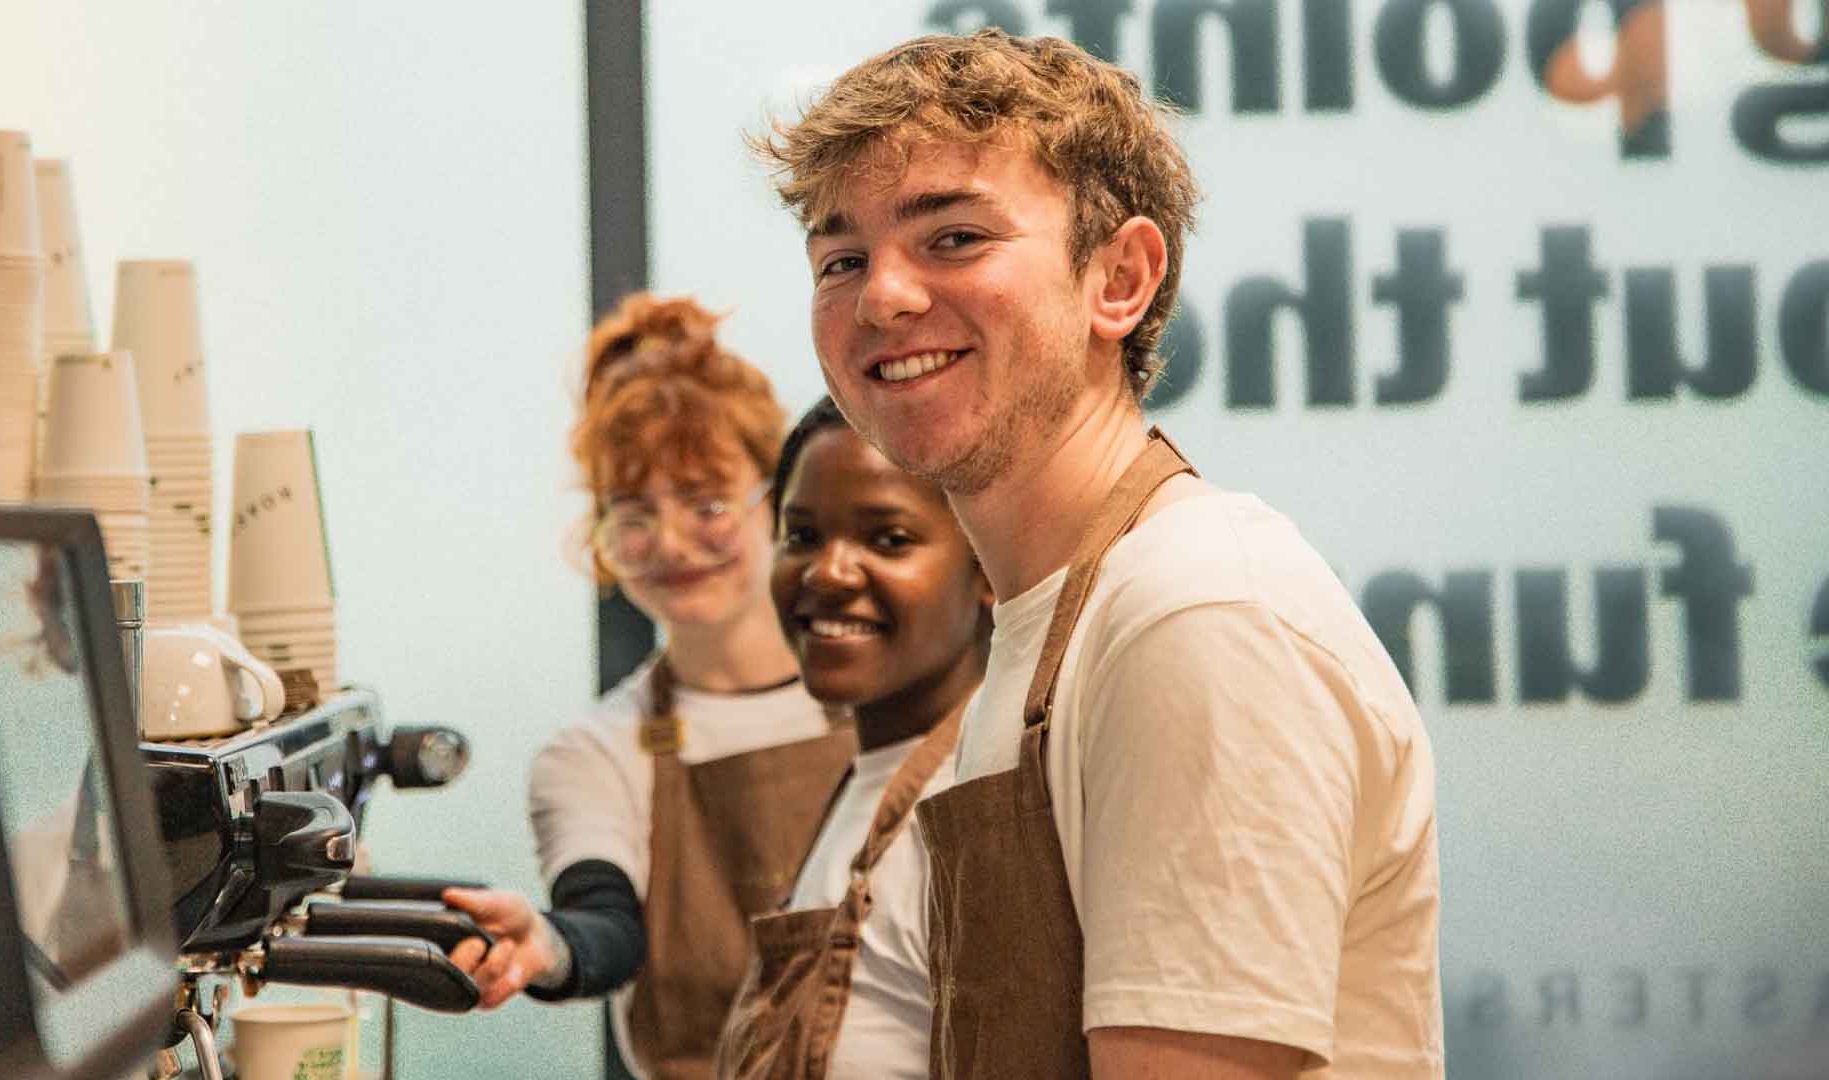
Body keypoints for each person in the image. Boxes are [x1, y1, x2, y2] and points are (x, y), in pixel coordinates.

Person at [751, 30, 1444, 1080]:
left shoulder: (1194, 616)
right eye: (840, 259)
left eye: (953, 238)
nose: (881, 296)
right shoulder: (1047, 626)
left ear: (1119, 278)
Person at [444, 294, 857, 1080]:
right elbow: (606, 928)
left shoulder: (895, 697)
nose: (669, 543)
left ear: (780, 500)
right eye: (633, 513)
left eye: (705, 502)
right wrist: (550, 944)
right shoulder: (597, 752)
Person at [715, 398, 991, 1080]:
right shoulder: (866, 781)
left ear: (988, 566)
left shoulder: (981, 798)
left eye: (888, 539)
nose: (828, 572)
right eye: (802, 536)